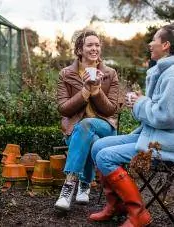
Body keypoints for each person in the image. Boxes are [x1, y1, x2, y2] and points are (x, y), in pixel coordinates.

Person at [89, 23, 174, 227]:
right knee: (98, 146)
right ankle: (116, 206)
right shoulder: (166, 71)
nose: (150, 43)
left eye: (154, 39)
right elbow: (160, 109)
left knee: (105, 157)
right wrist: (140, 101)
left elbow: (168, 117)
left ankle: (138, 213)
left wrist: (140, 103)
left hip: (167, 144)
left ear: (165, 45)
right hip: (152, 134)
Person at [54, 30, 119, 211]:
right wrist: (84, 91)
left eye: (97, 45)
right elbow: (63, 108)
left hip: (105, 127)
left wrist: (96, 90)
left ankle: (68, 187)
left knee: (87, 125)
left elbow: (111, 109)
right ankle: (84, 183)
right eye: (90, 45)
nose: (94, 48)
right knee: (89, 137)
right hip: (75, 131)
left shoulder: (110, 73)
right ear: (79, 50)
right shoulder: (66, 74)